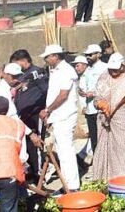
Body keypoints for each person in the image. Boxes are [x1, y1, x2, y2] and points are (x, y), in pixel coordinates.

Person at [38, 44, 80, 192]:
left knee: (66, 150)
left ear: (55, 56)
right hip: (58, 115)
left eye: (47, 57)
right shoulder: (55, 70)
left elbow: (63, 95)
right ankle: (68, 182)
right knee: (62, 150)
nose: (46, 60)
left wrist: (48, 110)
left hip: (65, 115)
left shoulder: (66, 70)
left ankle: (72, 185)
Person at [90, 53, 125, 180]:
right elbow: (97, 96)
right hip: (103, 117)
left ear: (122, 66)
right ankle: (102, 178)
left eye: (116, 68)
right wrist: (100, 104)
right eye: (111, 68)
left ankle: (121, 179)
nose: (113, 71)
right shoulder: (104, 77)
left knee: (121, 147)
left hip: (120, 116)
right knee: (103, 146)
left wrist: (112, 109)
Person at [8, 50, 47, 181]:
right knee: (28, 144)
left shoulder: (37, 73)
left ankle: (40, 173)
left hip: (36, 113)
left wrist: (45, 109)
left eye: (17, 64)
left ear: (24, 61)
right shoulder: (21, 76)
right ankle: (32, 170)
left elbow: (45, 91)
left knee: (37, 143)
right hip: (23, 116)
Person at [77, 44, 106, 156]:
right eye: (86, 55)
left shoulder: (104, 67)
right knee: (94, 139)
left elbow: (107, 86)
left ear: (98, 54)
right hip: (90, 109)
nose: (88, 57)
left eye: (90, 54)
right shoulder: (88, 70)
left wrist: (94, 93)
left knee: (102, 137)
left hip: (100, 108)